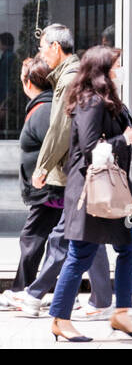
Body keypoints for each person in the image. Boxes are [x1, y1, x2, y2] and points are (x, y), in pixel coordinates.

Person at [48, 46, 132, 342]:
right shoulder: (90, 102)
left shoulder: (106, 100)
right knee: (80, 255)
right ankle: (59, 319)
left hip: (110, 190)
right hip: (92, 192)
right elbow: (91, 149)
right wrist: (123, 140)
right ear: (102, 70)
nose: (119, 69)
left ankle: (122, 314)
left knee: (130, 247)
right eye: (115, 65)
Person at [16, 24, 111, 318]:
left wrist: (43, 167)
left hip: (76, 169)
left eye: (43, 48)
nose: (42, 54)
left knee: (65, 234)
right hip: (79, 167)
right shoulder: (70, 75)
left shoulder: (68, 77)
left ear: (56, 48)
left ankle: (35, 294)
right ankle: (102, 299)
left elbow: (60, 127)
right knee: (87, 233)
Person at [0, 59, 63, 304]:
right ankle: (27, 288)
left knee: (34, 237)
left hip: (49, 190)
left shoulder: (44, 110)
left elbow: (57, 146)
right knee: (38, 239)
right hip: (48, 189)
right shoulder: (44, 107)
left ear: (28, 83)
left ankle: (26, 289)